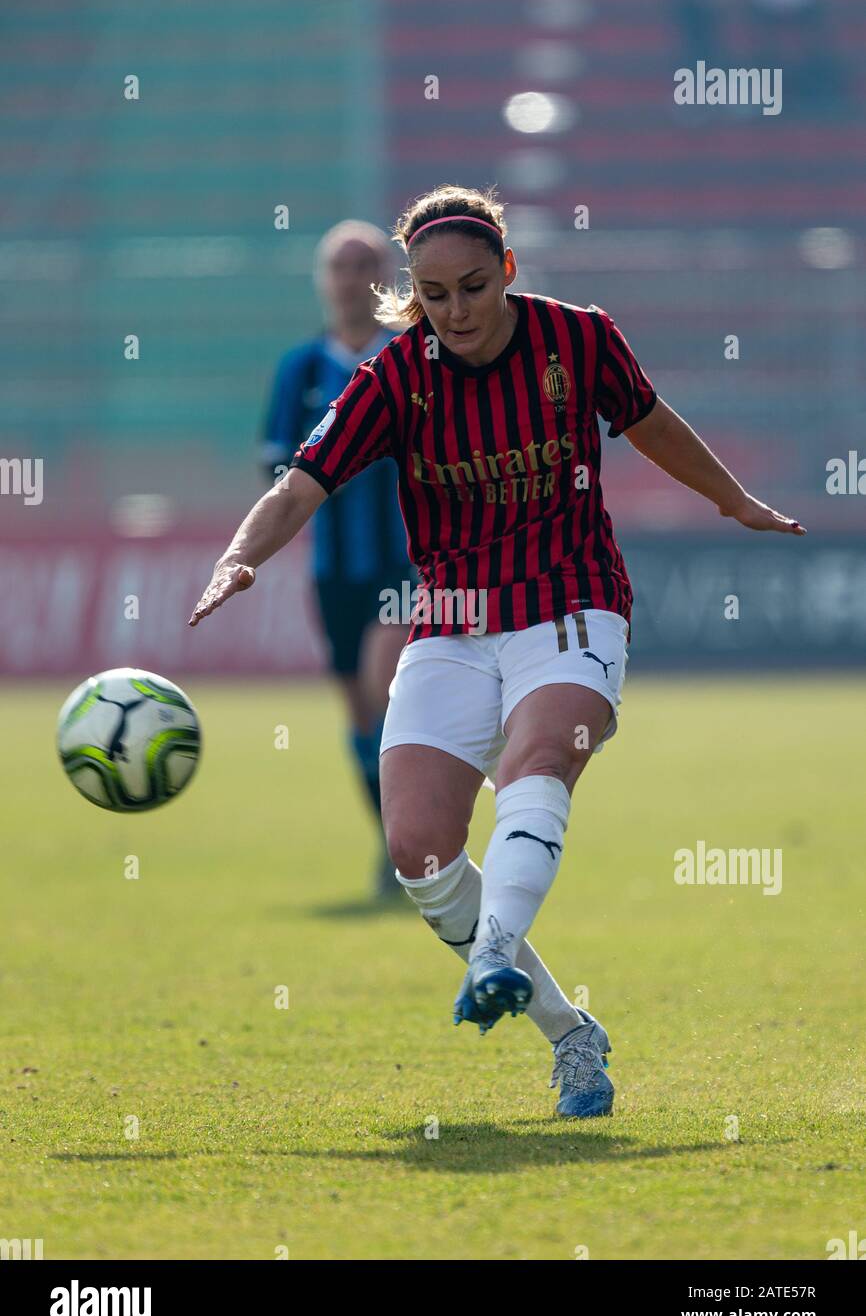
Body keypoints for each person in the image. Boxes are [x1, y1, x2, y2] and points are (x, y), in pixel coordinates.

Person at [190, 185, 805, 1119]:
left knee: (539, 760)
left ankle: (489, 959)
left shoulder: (580, 340)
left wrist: (733, 501)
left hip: (573, 604)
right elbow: (301, 482)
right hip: (450, 623)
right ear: (414, 296)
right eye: (434, 295)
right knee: (420, 855)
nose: (457, 310)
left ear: (509, 270)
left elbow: (655, 426)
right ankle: (571, 1035)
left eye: (474, 285)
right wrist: (239, 557)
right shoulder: (396, 376)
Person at [258, 221, 412, 899]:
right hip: (332, 570)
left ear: (386, 279)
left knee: (383, 696)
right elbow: (273, 462)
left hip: (403, 563)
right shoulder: (301, 368)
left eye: (366, 265)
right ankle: (394, 846)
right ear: (324, 280)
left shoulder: (409, 355)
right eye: (341, 267)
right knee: (357, 716)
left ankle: (417, 841)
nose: (353, 279)